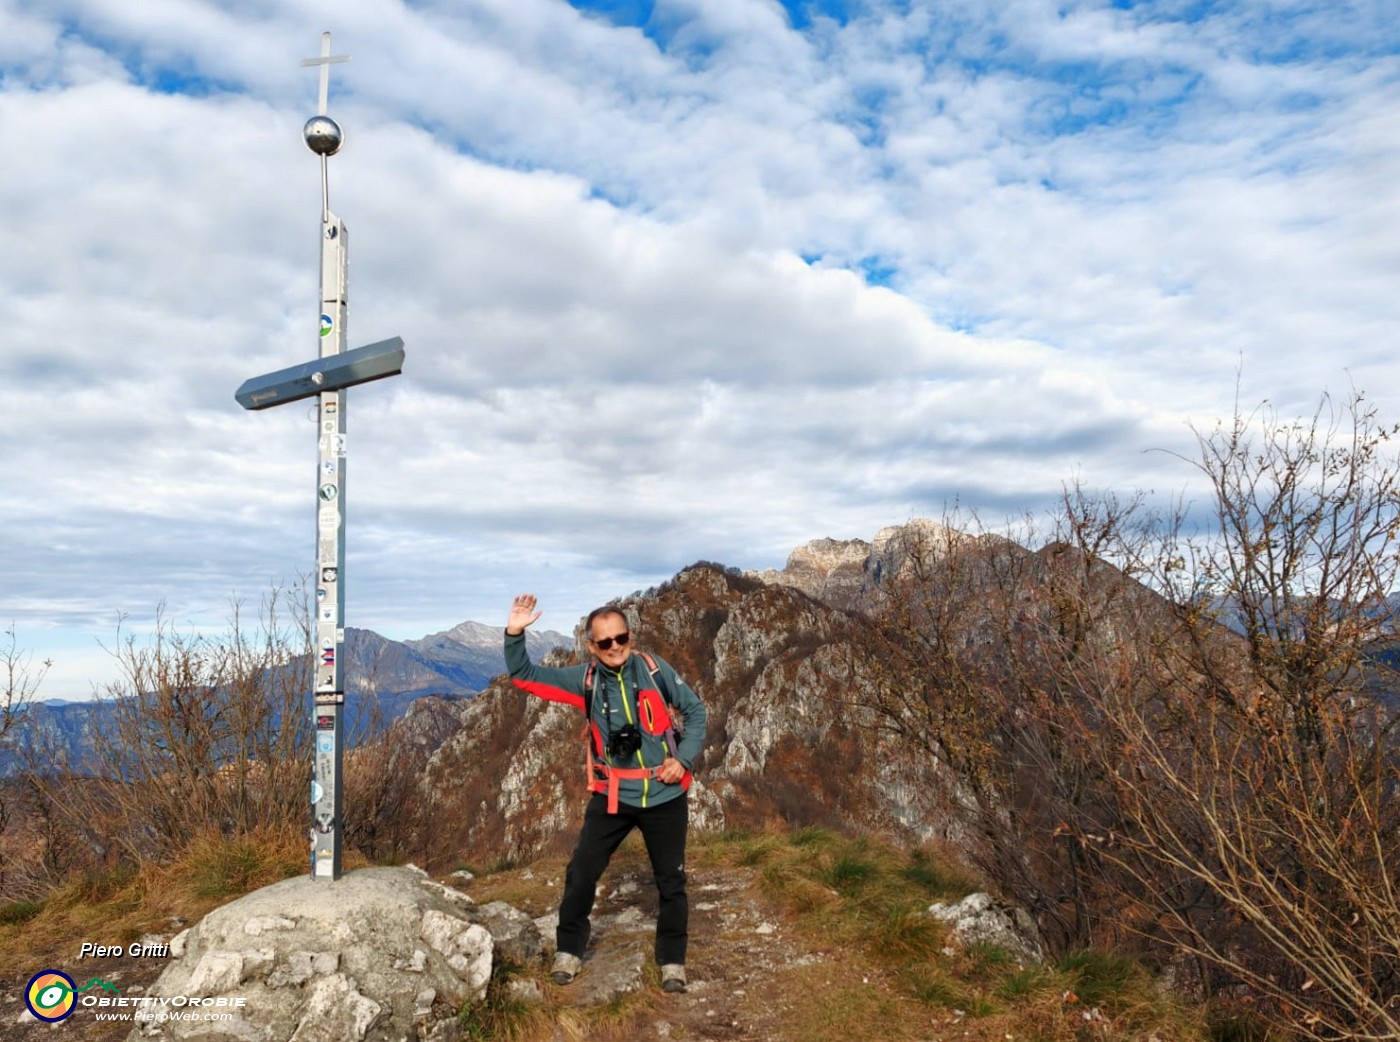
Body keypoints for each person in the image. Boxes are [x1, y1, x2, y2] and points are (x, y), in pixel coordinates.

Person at [504, 593, 708, 994]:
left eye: (622, 638)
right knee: (581, 872)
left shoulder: (654, 669)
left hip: (665, 795)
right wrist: (514, 633)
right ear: (590, 647)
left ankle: (672, 961)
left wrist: (683, 760)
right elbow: (524, 675)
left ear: (629, 636)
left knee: (672, 881)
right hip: (613, 796)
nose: (615, 647)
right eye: (605, 642)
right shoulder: (584, 681)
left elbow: (696, 711)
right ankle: (569, 949)